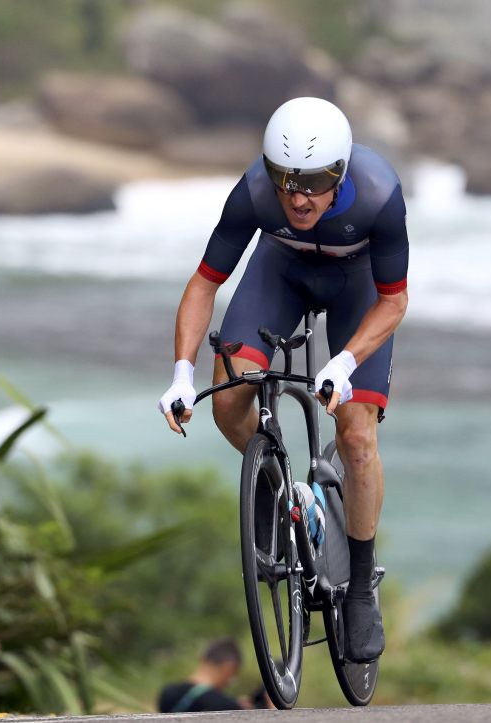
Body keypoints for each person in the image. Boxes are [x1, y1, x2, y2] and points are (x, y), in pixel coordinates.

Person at [157, 97, 409, 663]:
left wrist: (344, 363)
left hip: (360, 288)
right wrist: (179, 372)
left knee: (356, 438)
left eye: (315, 184)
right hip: (282, 273)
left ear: (340, 173)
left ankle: (362, 586)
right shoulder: (252, 193)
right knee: (228, 397)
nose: (298, 197)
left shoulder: (377, 194)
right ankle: (281, 489)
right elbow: (204, 284)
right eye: (285, 181)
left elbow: (394, 303)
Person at [157, 637, 245, 713]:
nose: (232, 680)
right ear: (229, 667)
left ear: (202, 657)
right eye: (234, 673)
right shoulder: (225, 706)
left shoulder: (167, 693)